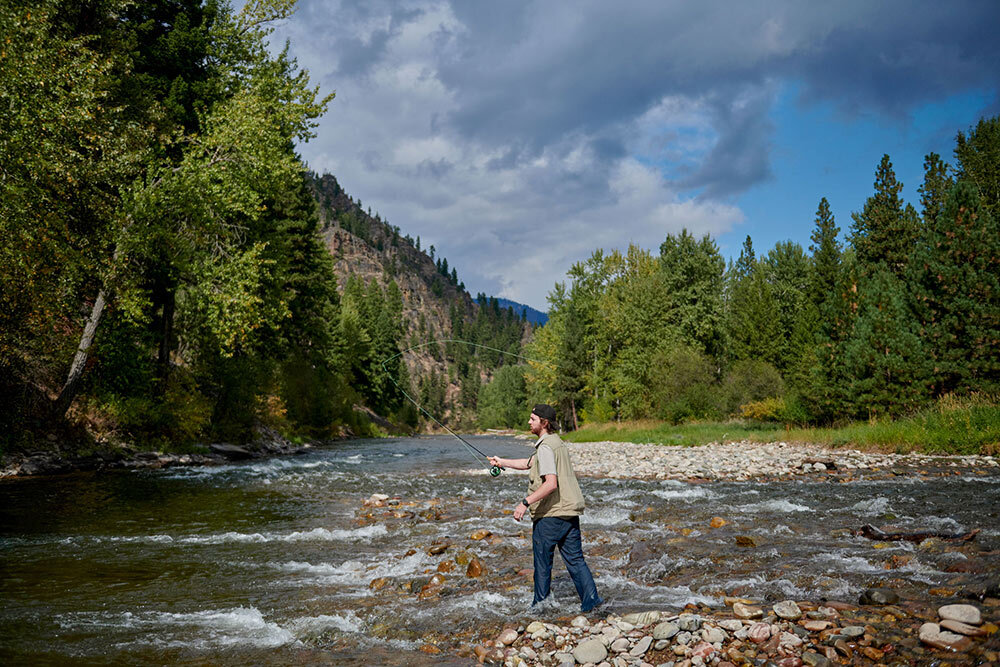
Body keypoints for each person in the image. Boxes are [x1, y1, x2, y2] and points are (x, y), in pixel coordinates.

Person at [489, 404, 603, 613]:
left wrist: (525, 503)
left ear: (545, 422)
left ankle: (540, 607)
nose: (529, 422)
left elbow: (551, 483)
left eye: (533, 419)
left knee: (542, 563)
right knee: (576, 560)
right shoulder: (555, 443)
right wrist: (501, 461)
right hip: (569, 512)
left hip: (551, 515)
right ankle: (592, 601)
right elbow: (528, 463)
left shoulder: (546, 447)